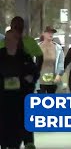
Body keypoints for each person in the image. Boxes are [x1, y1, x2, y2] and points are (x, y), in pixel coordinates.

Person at [0, 17, 43, 149]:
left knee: (23, 117)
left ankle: (27, 141)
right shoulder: (1, 52)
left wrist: (31, 79)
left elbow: (36, 64)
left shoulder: (26, 51)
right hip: (3, 95)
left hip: (21, 93)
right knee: (5, 119)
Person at [37, 26, 64, 94]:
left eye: (52, 33)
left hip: (53, 80)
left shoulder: (58, 48)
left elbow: (61, 62)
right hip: (40, 80)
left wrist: (58, 74)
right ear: (44, 34)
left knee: (51, 100)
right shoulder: (37, 47)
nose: (51, 34)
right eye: (49, 32)